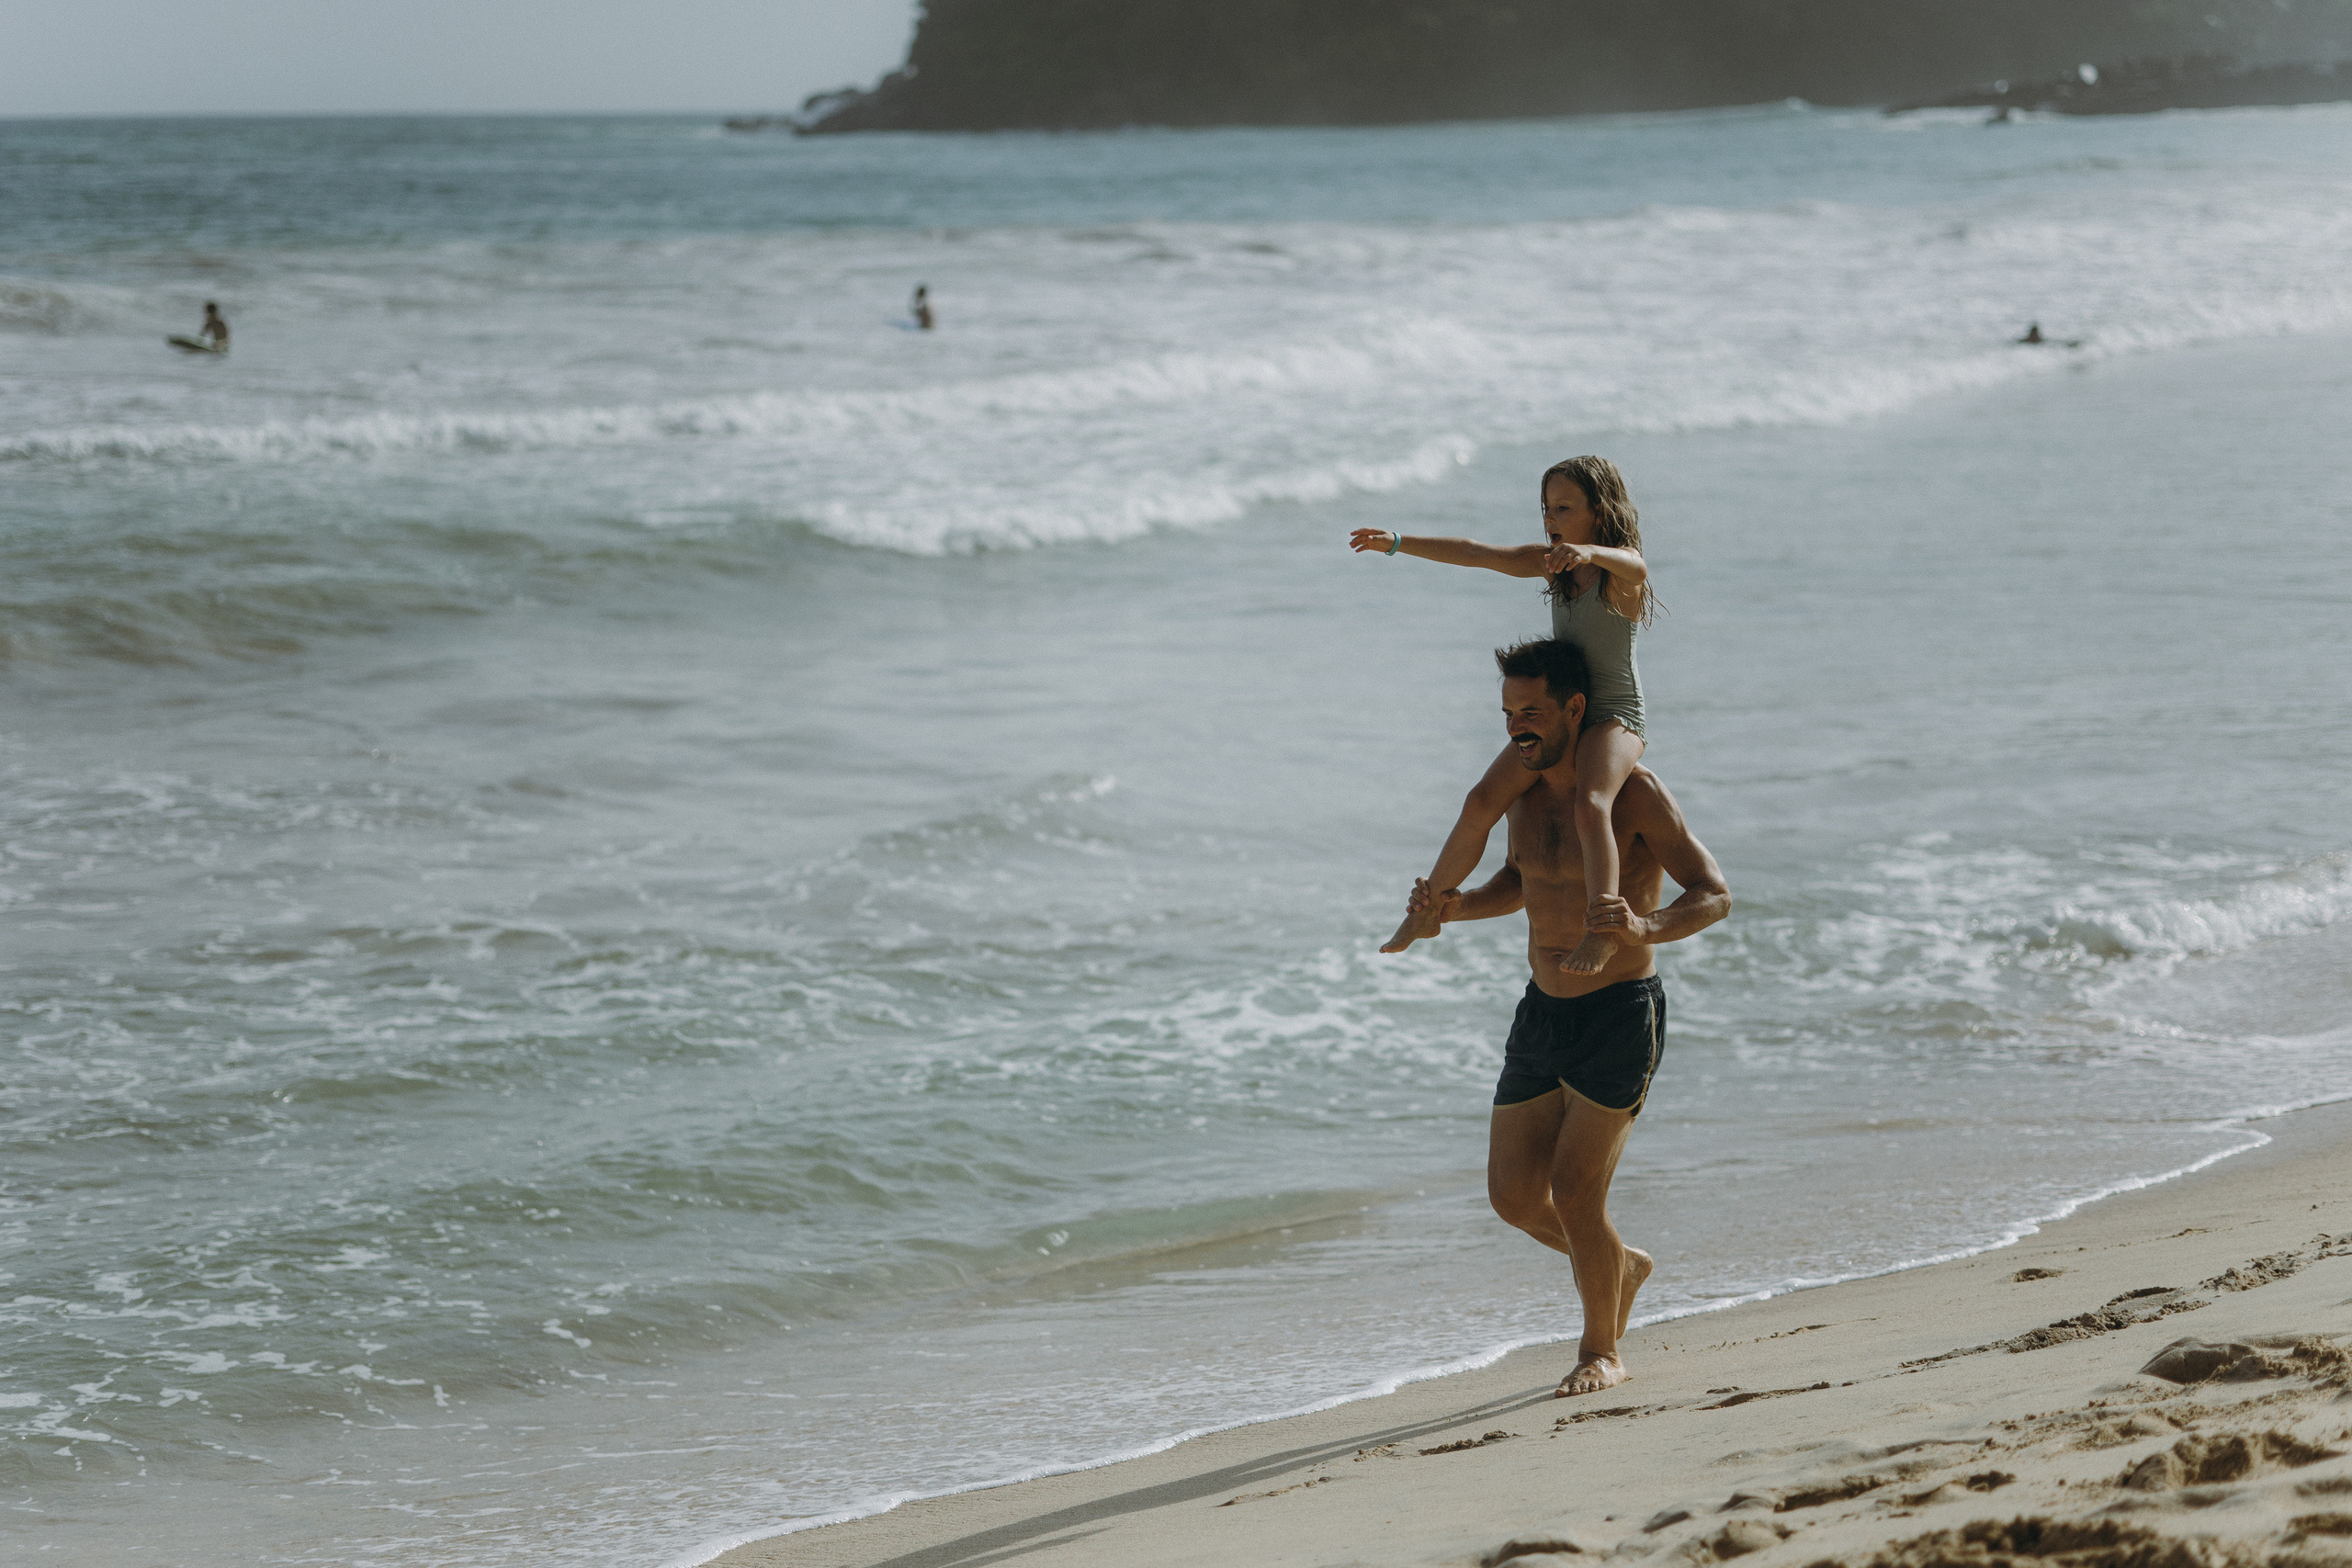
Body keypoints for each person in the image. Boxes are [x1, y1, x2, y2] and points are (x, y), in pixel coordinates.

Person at [1406, 637, 1730, 1396]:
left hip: (1621, 1012)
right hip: (1543, 1010)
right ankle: (1620, 1263)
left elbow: (1714, 893)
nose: (1518, 726)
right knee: (1515, 1196)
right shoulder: (1518, 788)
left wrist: (1643, 928)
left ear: (1575, 709)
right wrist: (1452, 910)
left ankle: (1601, 1349)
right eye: (1509, 712)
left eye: (1534, 711)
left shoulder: (1634, 794)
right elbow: (1521, 881)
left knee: (1578, 1189)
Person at [1350, 456, 1657, 974]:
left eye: (1563, 507)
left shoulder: (1615, 577)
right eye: (1545, 508)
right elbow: (1476, 553)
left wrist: (1590, 552)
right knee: (1481, 799)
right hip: (1562, 715)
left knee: (1592, 801)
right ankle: (1429, 910)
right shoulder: (1553, 565)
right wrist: (1399, 542)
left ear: (1599, 512)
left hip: (1614, 717)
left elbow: (1637, 565)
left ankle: (1602, 928)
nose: (1550, 519)